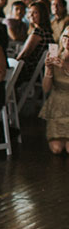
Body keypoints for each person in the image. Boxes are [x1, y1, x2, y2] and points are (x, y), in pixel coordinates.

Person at [40, 25, 69, 154]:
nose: (68, 41)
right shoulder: (55, 56)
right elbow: (46, 89)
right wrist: (49, 71)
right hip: (58, 106)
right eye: (65, 37)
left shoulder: (62, 63)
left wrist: (65, 67)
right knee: (57, 149)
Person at [16, 0, 54, 87]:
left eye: (35, 12)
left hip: (32, 72)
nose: (31, 15)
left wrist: (12, 66)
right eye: (30, 12)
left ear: (42, 15)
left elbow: (24, 54)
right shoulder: (47, 31)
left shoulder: (38, 32)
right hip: (41, 71)